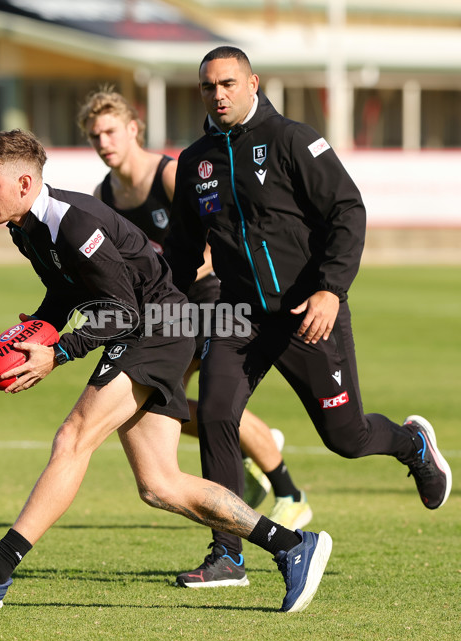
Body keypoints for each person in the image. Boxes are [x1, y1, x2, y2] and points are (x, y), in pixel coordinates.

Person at [0, 128, 332, 614]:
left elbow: (124, 311)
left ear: (26, 183)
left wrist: (60, 352)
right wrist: (40, 329)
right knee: (159, 484)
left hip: (156, 327)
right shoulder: (23, 227)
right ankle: (291, 546)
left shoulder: (72, 224)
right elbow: (66, 292)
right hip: (145, 327)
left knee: (73, 438)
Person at [163, 46, 452, 588]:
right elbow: (181, 252)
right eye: (208, 87)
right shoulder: (196, 161)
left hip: (308, 312)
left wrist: (330, 291)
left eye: (228, 83)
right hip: (238, 316)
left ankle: (413, 444)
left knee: (346, 436)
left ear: (253, 82)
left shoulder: (292, 139)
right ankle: (228, 553)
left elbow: (348, 211)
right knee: (218, 413)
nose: (218, 95)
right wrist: (158, 310)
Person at [76, 89, 313, 537]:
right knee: (153, 412)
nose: (103, 141)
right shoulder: (104, 194)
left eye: (110, 131)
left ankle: (287, 492)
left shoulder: (169, 174)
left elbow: (211, 240)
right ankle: (250, 445)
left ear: (133, 129)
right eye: (94, 136)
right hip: (165, 310)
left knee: (191, 405)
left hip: (209, 297)